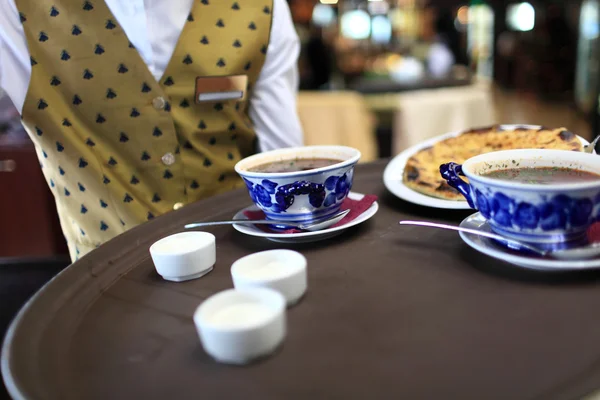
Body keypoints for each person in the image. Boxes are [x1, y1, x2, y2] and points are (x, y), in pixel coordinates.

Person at [0, 0, 304, 261]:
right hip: (104, 287)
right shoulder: (15, 10)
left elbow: (285, 164)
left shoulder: (262, 8)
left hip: (242, 268)